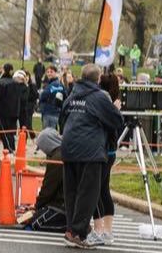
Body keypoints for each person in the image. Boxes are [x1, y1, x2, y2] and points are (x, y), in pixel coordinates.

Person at [58, 64, 123, 248]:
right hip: (90, 151)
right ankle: (78, 233)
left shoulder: (72, 95)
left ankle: (72, 229)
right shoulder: (100, 97)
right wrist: (115, 108)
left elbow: (62, 118)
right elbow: (116, 121)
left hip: (69, 148)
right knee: (88, 193)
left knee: (71, 192)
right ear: (98, 78)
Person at [23, 128, 66, 233]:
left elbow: (48, 188)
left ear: (47, 144)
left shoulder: (57, 159)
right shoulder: (64, 152)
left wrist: (36, 207)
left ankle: (68, 226)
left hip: (61, 207)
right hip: (66, 204)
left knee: (32, 222)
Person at [0, 63, 25, 152]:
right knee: (10, 133)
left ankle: (9, 150)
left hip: (3, 113)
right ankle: (12, 149)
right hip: (14, 112)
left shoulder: (2, 83)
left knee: (4, 133)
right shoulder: (16, 83)